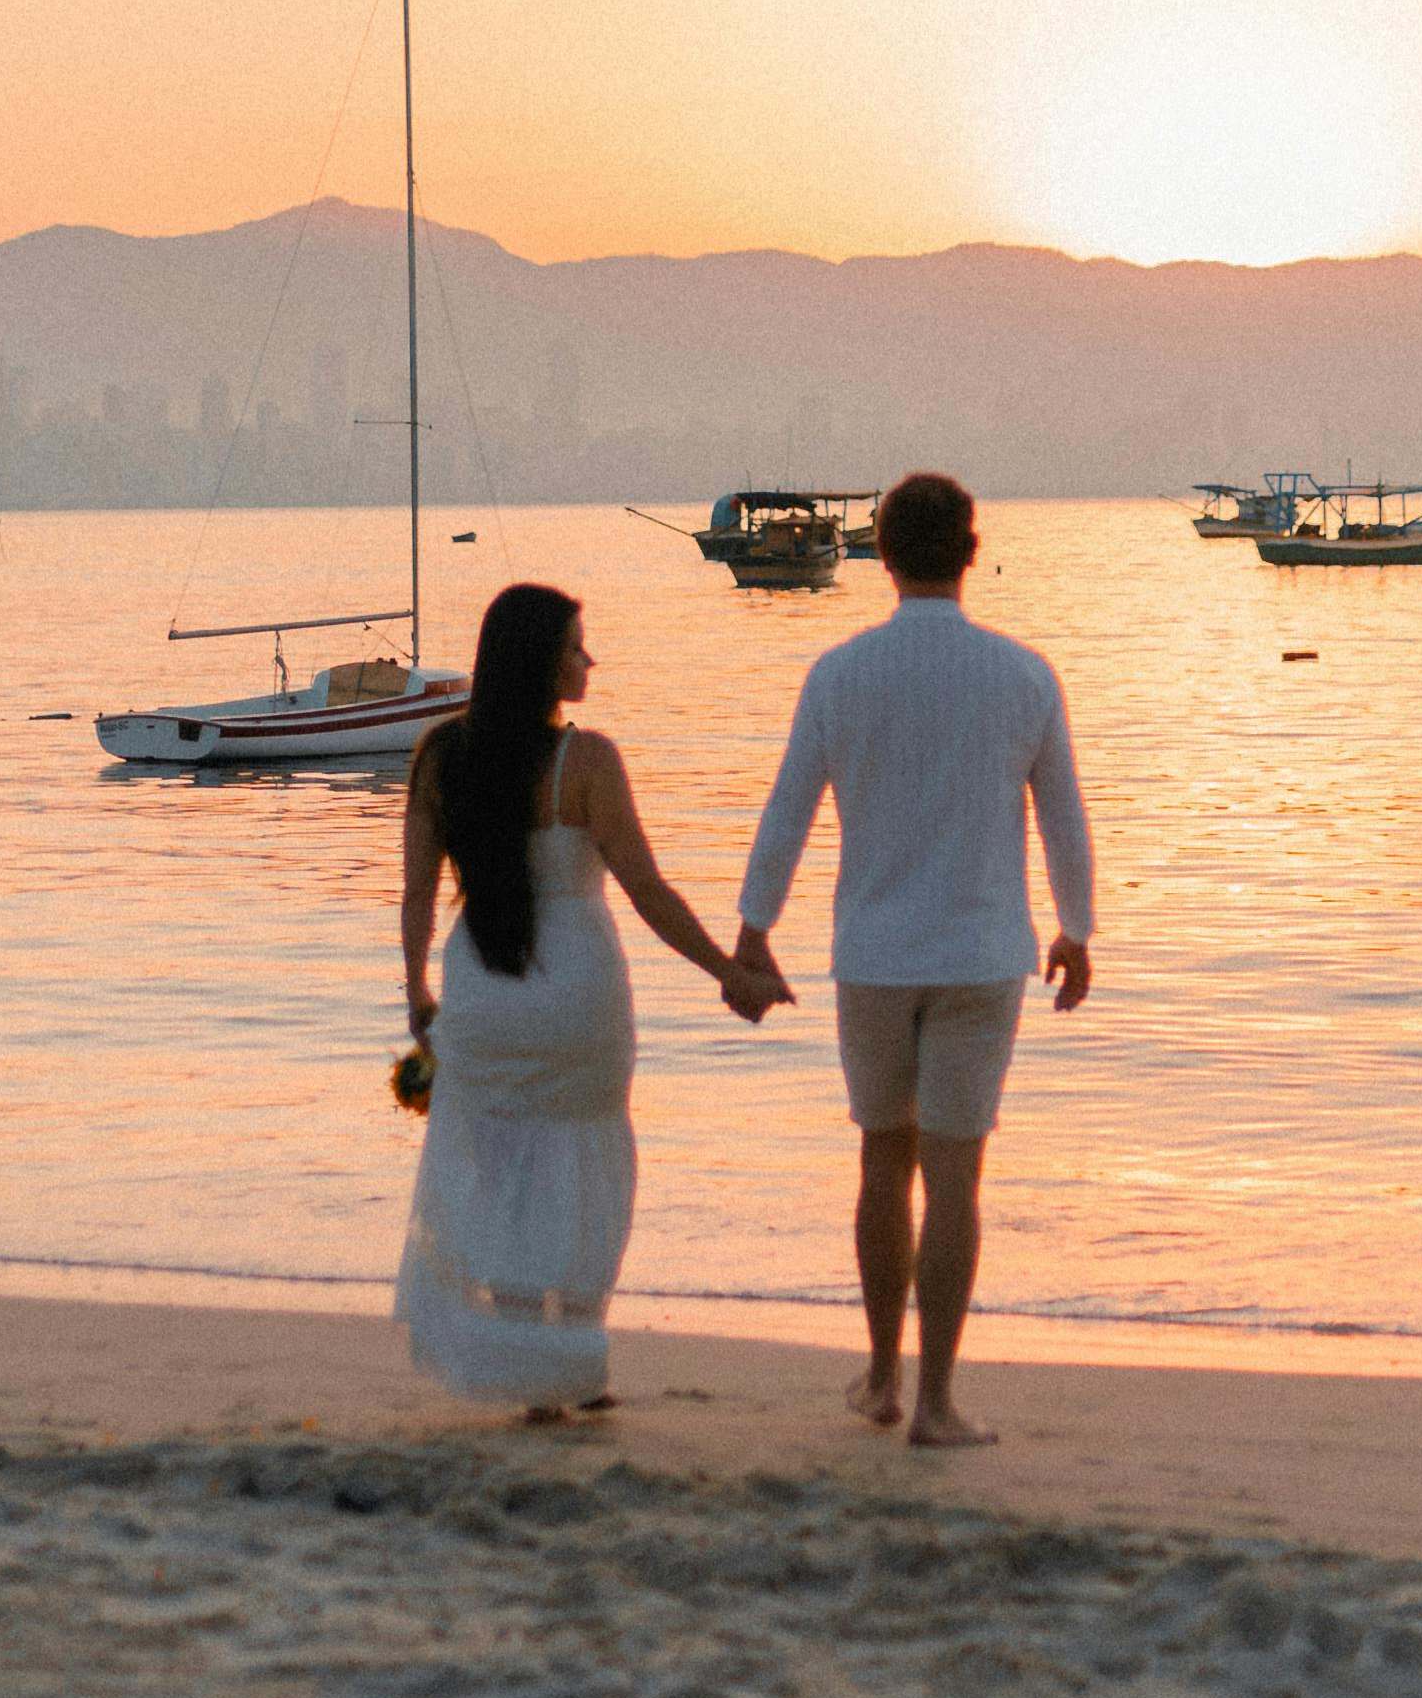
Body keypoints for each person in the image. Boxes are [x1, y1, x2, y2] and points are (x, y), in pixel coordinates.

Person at [730, 472, 1094, 1450]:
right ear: (969, 550)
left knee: (882, 1159)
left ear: (878, 553)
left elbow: (786, 809)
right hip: (981, 954)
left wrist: (753, 927)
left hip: (876, 954)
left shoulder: (840, 672)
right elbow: (1063, 813)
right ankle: (935, 1401)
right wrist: (1076, 927)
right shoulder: (1022, 674)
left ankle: (884, 1376)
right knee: (955, 1174)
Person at [395, 583, 748, 1419]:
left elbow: (415, 895)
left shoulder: (441, 755)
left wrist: (417, 992)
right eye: (579, 646)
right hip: (579, 996)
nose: (590, 660)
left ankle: (519, 1357)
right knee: (586, 1169)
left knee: (506, 1174)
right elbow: (647, 888)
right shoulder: (587, 762)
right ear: (545, 662)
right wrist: (727, 969)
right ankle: (574, 1358)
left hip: (483, 985)